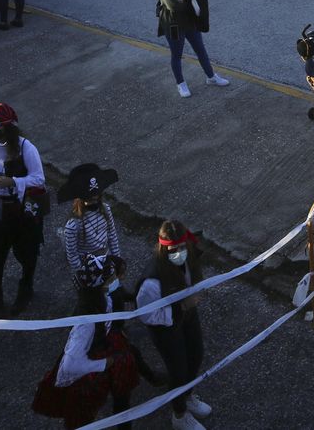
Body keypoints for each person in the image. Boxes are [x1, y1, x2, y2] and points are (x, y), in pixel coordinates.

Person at [31, 279, 140, 429]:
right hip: (88, 376)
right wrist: (103, 364)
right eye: (111, 276)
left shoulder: (103, 300)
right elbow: (70, 365)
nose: (115, 279)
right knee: (81, 415)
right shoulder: (85, 324)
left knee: (122, 393)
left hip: (106, 351)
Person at [137, 219, 214, 430]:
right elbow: (147, 315)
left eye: (182, 248)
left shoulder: (189, 258)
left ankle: (187, 395)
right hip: (166, 328)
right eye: (173, 249)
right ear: (163, 248)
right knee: (178, 369)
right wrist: (180, 307)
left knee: (196, 355)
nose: (179, 253)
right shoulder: (152, 282)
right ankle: (179, 415)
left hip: (188, 315)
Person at [0, 102, 47, 314]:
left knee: (27, 251)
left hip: (22, 208)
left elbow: (39, 179)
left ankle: (26, 287)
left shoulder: (27, 148)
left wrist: (14, 182)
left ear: (9, 127)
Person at [154, 0, 230, 97]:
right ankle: (180, 84)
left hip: (189, 21)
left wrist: (184, 0)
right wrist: (186, 0)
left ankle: (211, 77)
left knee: (201, 50)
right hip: (173, 25)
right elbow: (173, 5)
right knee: (176, 55)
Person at [56, 163, 123, 303]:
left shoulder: (106, 210)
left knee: (113, 295)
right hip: (88, 268)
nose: (94, 198)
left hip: (106, 261)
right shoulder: (73, 225)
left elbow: (112, 234)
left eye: (96, 194)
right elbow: (72, 255)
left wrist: (116, 260)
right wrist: (84, 275)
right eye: (89, 195)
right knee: (93, 302)